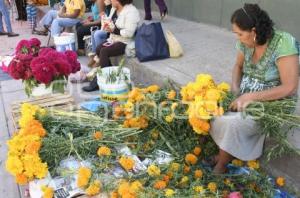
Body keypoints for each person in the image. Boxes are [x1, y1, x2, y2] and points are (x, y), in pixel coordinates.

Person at [209, 3, 299, 173]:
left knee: (233, 124)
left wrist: (250, 97)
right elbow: (238, 66)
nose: (238, 38)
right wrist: (236, 90)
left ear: (254, 32)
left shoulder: (283, 42)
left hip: (273, 102)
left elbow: (290, 87)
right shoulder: (245, 43)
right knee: (212, 110)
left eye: (240, 34)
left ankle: (221, 164)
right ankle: (226, 154)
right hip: (244, 96)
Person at [82, 0, 140, 92]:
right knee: (98, 48)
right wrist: (105, 22)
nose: (109, 0)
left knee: (104, 51)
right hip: (114, 39)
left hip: (126, 42)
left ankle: (101, 81)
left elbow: (129, 33)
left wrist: (113, 30)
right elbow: (110, 24)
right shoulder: (114, 9)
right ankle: (109, 74)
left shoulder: (132, 12)